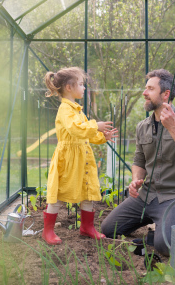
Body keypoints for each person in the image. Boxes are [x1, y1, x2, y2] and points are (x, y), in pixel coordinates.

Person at [101, 69, 175, 256]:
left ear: (165, 94)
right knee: (108, 229)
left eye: (150, 88)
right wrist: (135, 180)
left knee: (165, 246)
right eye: (145, 88)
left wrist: (173, 128)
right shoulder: (143, 126)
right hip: (147, 196)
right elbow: (139, 161)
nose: (144, 92)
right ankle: (162, 225)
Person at [42, 67, 118, 245]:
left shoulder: (77, 110)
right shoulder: (65, 109)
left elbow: (85, 133)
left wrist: (101, 136)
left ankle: (87, 227)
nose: (84, 88)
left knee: (87, 191)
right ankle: (48, 231)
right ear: (69, 87)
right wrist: (95, 125)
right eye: (82, 84)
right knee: (59, 193)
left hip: (82, 158)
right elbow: (75, 129)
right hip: (68, 160)